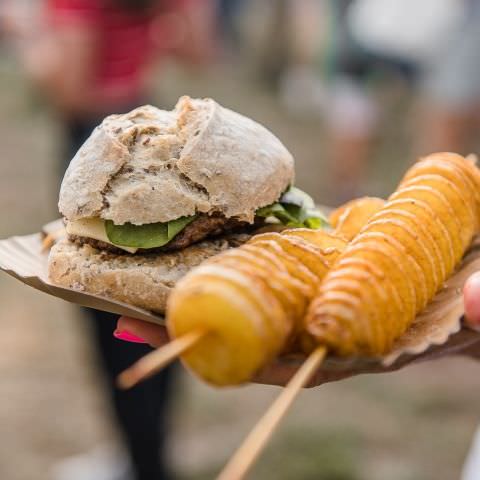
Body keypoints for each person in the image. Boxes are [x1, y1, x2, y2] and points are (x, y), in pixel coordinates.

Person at [2, 1, 216, 479]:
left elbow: (73, 90)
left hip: (96, 150)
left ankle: (143, 462)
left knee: (113, 320)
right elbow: (198, 50)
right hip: (152, 130)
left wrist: (27, 35)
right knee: (160, 305)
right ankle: (148, 451)